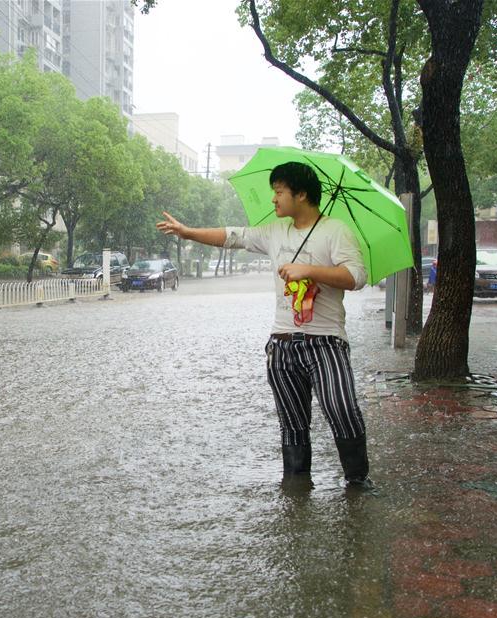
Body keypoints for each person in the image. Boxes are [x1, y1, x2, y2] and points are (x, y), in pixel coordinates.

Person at [156, 162, 372, 488]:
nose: (274, 199)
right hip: (282, 344)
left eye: (279, 192)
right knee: (292, 424)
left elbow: (357, 277)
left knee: (341, 409)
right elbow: (233, 236)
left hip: (326, 342)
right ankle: (297, 491)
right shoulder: (274, 232)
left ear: (301, 194)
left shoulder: (336, 231)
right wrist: (188, 232)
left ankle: (357, 482)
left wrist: (308, 270)